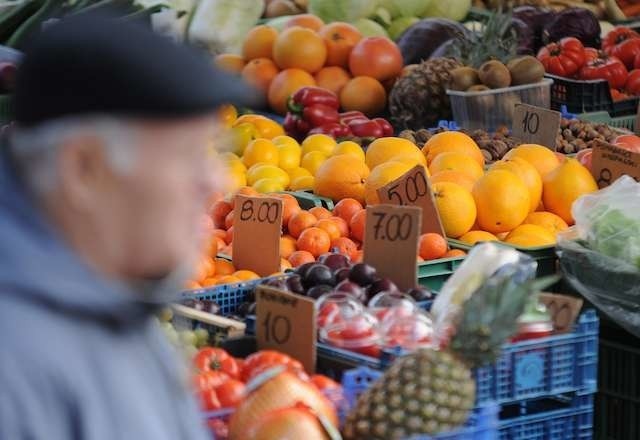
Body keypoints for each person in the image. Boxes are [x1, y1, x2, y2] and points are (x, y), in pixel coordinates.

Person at [0, 14, 254, 439]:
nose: (217, 182)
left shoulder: (119, 304)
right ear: (82, 168)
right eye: (187, 154)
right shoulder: (15, 372)